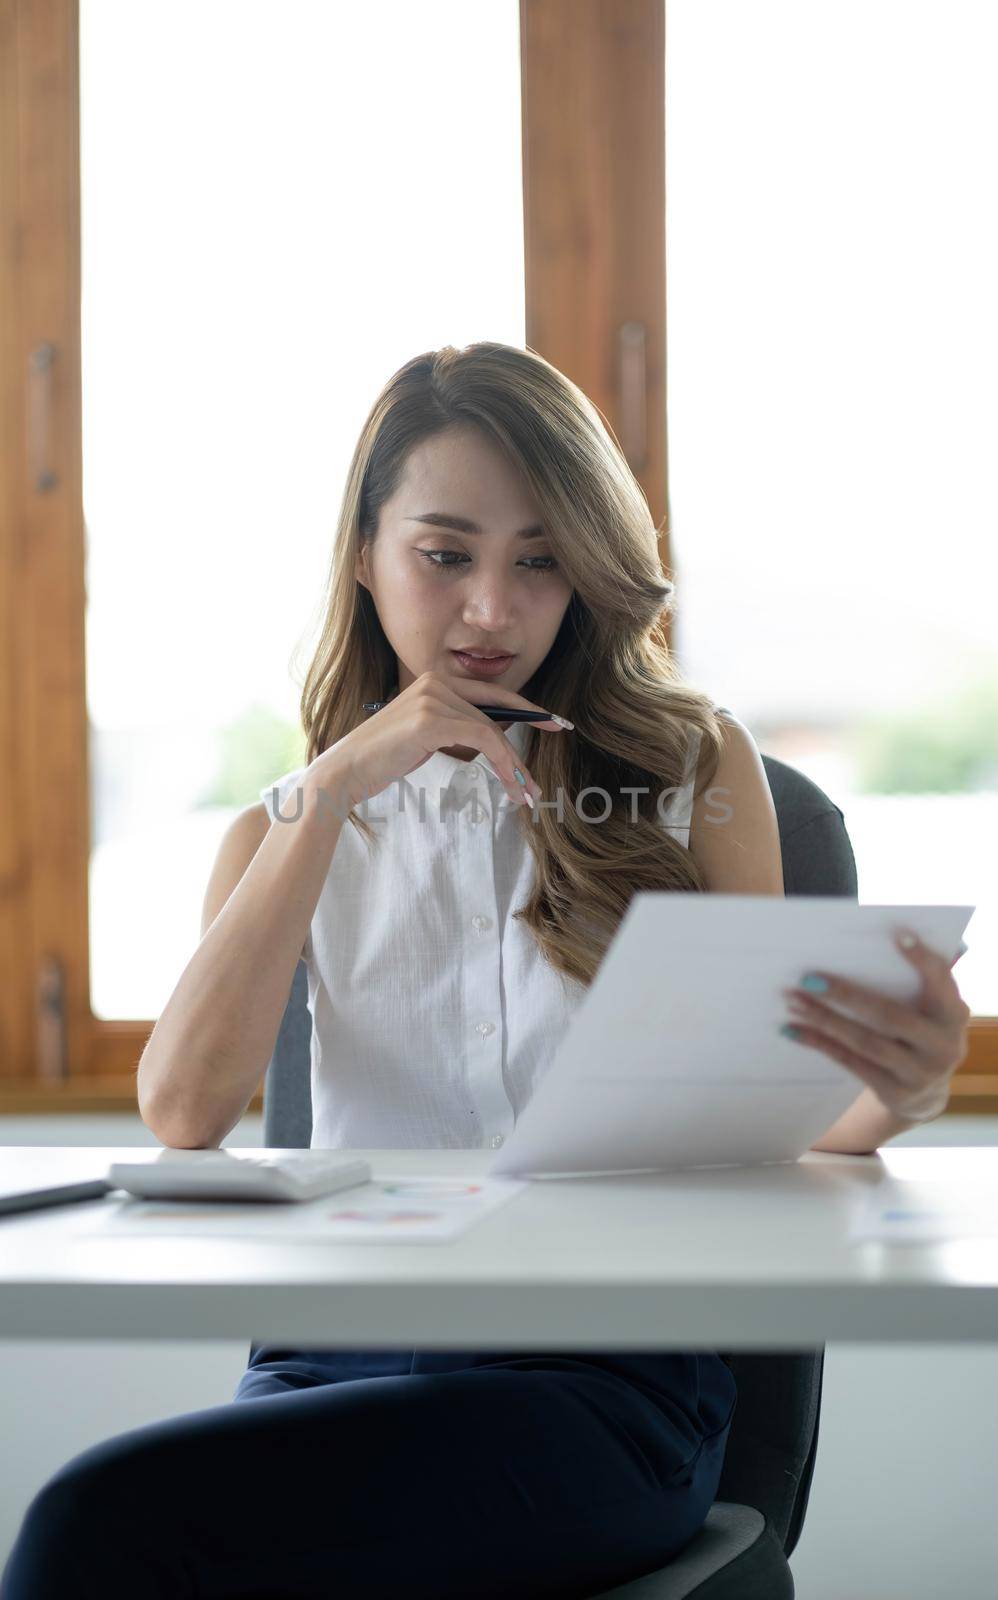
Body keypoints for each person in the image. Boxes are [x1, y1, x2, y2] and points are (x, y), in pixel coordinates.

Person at [3, 340, 795, 1598]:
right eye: (444, 555)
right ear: (364, 556)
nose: (491, 608)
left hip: (592, 1387)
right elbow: (183, 1112)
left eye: (539, 560)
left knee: (91, 1528)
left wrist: (873, 1078)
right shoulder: (280, 823)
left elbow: (768, 1118)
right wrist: (324, 798)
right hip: (331, 1365)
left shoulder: (693, 773)